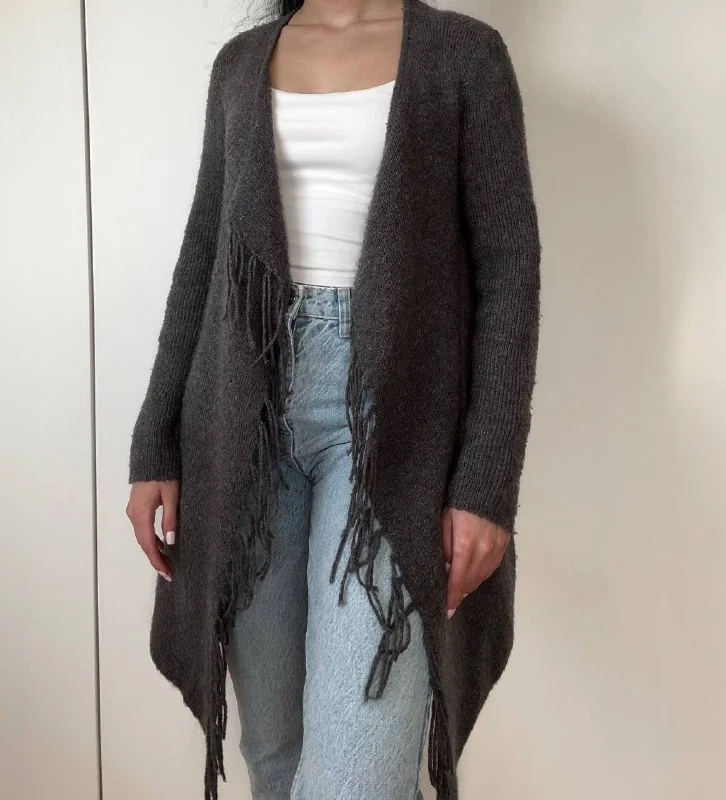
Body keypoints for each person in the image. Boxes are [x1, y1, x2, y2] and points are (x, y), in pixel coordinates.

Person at [125, 1, 541, 798]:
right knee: (275, 752)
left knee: (357, 777)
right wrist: (156, 442)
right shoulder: (241, 64)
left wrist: (487, 481)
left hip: (395, 422)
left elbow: (509, 268)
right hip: (242, 416)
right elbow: (204, 253)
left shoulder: (465, 56)